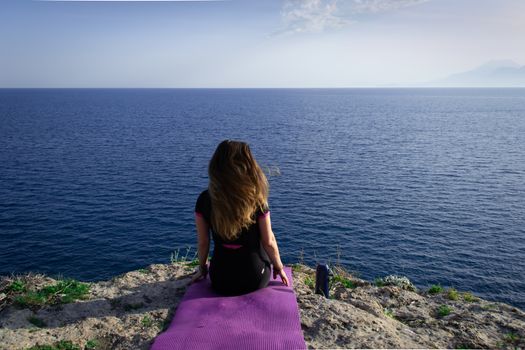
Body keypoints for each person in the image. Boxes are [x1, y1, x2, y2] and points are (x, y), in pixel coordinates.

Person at [191, 140, 289, 295]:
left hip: (220, 279)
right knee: (265, 236)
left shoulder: (204, 199)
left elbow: (203, 242)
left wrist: (202, 269)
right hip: (255, 279)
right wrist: (279, 267)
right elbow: (268, 242)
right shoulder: (257, 200)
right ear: (248, 165)